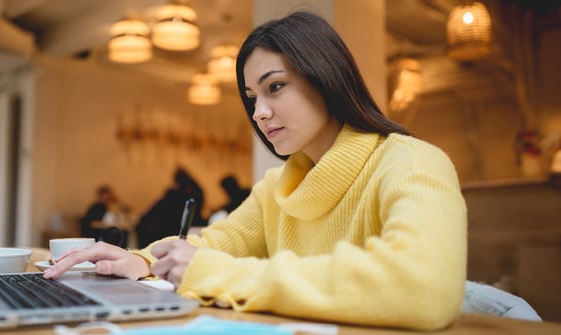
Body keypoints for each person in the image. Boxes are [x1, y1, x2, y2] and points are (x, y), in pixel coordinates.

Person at [45, 11, 467, 331]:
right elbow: (217, 242)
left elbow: (421, 287)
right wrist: (140, 260)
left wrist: (216, 273)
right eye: (252, 97)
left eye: (275, 87)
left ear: (327, 78)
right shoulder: (277, 187)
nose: (260, 113)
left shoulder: (412, 161)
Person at [136, 168, 205, 248]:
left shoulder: (171, 198)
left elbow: (147, 217)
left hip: (165, 235)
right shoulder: (195, 196)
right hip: (182, 236)